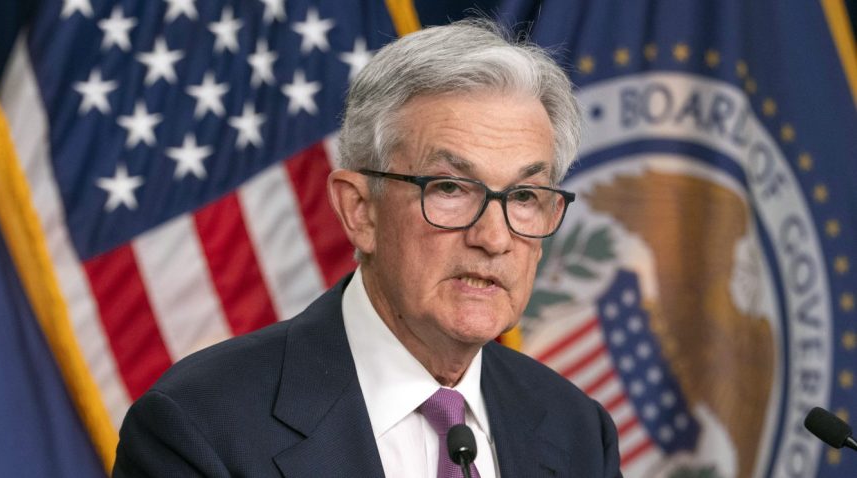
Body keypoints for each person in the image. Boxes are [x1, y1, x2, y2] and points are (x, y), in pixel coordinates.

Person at [113, 18, 621, 478]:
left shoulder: (577, 431)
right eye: (449, 189)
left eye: (525, 196)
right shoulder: (199, 427)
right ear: (360, 210)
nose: (493, 238)